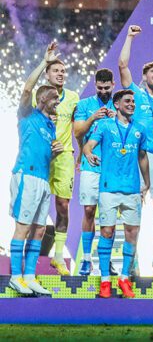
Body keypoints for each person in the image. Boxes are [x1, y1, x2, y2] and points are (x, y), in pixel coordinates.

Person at [118, 25, 153, 277]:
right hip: (137, 156)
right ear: (143, 76)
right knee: (135, 205)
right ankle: (133, 259)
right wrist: (129, 37)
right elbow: (122, 65)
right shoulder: (135, 94)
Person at [83, 90, 150, 298]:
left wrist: (147, 182)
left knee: (132, 233)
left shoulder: (139, 128)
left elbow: (142, 156)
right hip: (108, 188)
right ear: (117, 104)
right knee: (107, 232)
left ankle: (124, 278)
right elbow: (88, 146)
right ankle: (105, 280)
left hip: (132, 189)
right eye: (127, 101)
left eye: (133, 101)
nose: (132, 104)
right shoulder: (104, 125)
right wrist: (88, 154)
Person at [8, 42, 63, 295]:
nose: (57, 102)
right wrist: (45, 62)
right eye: (54, 98)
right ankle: (15, 276)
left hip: (42, 179)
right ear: (43, 98)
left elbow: (44, 155)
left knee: (40, 229)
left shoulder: (50, 125)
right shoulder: (27, 114)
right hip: (26, 176)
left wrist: (53, 154)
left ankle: (29, 276)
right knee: (23, 226)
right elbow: (28, 87)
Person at [31, 41, 79, 276]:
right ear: (47, 74)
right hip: (42, 157)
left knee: (63, 205)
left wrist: (83, 152)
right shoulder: (38, 97)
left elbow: (77, 127)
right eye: (56, 70)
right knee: (36, 205)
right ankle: (31, 256)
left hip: (65, 157)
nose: (60, 74)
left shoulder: (73, 97)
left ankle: (58, 256)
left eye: (63, 71)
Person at [73, 68, 116, 276]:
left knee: (109, 215)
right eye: (100, 88)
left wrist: (117, 118)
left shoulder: (120, 104)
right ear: (95, 85)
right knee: (89, 210)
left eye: (107, 88)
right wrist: (93, 118)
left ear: (113, 85)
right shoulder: (84, 105)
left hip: (113, 168)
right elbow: (78, 132)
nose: (103, 91)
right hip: (91, 165)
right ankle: (86, 259)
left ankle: (106, 261)